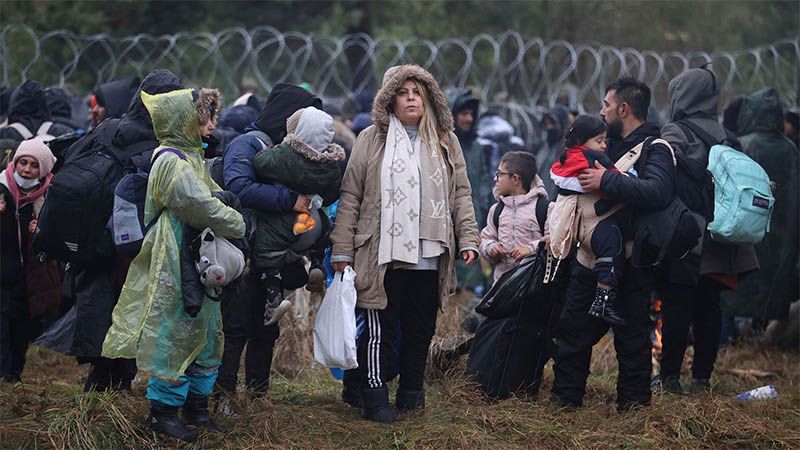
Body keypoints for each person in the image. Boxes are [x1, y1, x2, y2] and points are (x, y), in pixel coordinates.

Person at [331, 64, 480, 423]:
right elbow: (351, 196)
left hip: (430, 252)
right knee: (380, 327)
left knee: (420, 327)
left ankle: (412, 395)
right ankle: (374, 398)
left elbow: (460, 192)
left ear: (429, 98)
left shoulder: (446, 139)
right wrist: (342, 248)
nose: (412, 98)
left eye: (418, 92)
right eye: (403, 92)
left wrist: (469, 236)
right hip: (381, 252)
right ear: (389, 100)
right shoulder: (370, 139)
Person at [102, 87, 245, 443]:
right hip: (174, 254)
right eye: (204, 119)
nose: (211, 126)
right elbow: (198, 203)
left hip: (198, 253)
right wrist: (237, 221)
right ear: (184, 121)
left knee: (208, 332)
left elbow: (210, 194)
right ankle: (163, 412)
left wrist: (222, 206)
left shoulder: (192, 157)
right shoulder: (169, 160)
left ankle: (196, 408)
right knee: (176, 331)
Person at [552, 76, 675, 411]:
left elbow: (657, 192)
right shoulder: (599, 145)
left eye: (606, 105)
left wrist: (606, 179)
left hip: (631, 262)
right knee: (573, 332)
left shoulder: (656, 148)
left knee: (632, 338)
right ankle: (565, 401)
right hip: (588, 259)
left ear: (623, 108)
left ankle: (633, 408)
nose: (601, 111)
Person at [59, 70, 184, 393]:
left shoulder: (108, 128)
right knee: (127, 315)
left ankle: (105, 392)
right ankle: (109, 392)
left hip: (95, 240)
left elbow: (69, 161)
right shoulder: (162, 144)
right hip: (132, 246)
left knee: (105, 315)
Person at [216, 83, 321, 412]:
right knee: (236, 328)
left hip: (271, 257)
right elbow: (238, 187)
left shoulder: (285, 153)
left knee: (265, 329)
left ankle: (257, 397)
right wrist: (291, 201)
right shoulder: (247, 144)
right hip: (243, 253)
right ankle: (223, 397)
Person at [656, 68, 759, 393]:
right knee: (709, 308)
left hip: (686, 235)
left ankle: (670, 377)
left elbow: (665, 177)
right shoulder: (729, 136)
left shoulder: (677, 131)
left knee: (676, 306)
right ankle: (702, 378)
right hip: (721, 237)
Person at [251, 106, 344, 325]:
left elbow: (260, 162)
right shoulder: (331, 167)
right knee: (319, 237)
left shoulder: (285, 156)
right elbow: (332, 195)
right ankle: (317, 264)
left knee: (267, 251)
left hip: (286, 221)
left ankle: (273, 295)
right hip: (315, 222)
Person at [721, 88, 798, 328]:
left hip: (745, 231)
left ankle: (733, 339)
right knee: (768, 289)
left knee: (739, 287)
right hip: (781, 233)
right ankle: (758, 334)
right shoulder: (791, 150)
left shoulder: (743, 145)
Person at [549, 115, 632, 325]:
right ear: (581, 140)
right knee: (613, 250)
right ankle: (603, 301)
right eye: (599, 140)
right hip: (597, 223)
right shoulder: (595, 159)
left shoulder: (565, 157)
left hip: (571, 225)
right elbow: (613, 184)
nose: (604, 146)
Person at [0, 139, 60, 382]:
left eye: (33, 166)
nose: (26, 170)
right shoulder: (2, 190)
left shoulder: (47, 199)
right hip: (3, 276)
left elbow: (56, 242)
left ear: (43, 170)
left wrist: (41, 231)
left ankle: (14, 375)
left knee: (20, 332)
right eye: (22, 162)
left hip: (29, 281)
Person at [480, 151, 548, 284]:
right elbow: (486, 238)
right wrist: (491, 248)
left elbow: (556, 241)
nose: (495, 179)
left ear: (515, 179)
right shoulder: (497, 210)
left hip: (534, 287)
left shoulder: (544, 208)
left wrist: (530, 250)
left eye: (499, 174)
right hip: (502, 288)